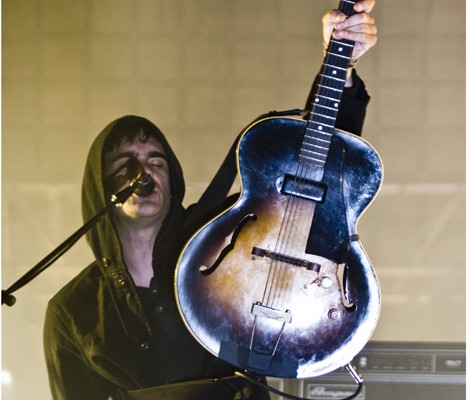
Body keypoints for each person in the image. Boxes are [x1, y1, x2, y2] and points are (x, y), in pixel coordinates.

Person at [43, 1, 378, 399]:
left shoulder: (222, 243)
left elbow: (308, 189)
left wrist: (338, 66)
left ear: (172, 178)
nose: (143, 171)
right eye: (126, 162)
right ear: (100, 187)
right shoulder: (72, 311)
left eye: (155, 160)